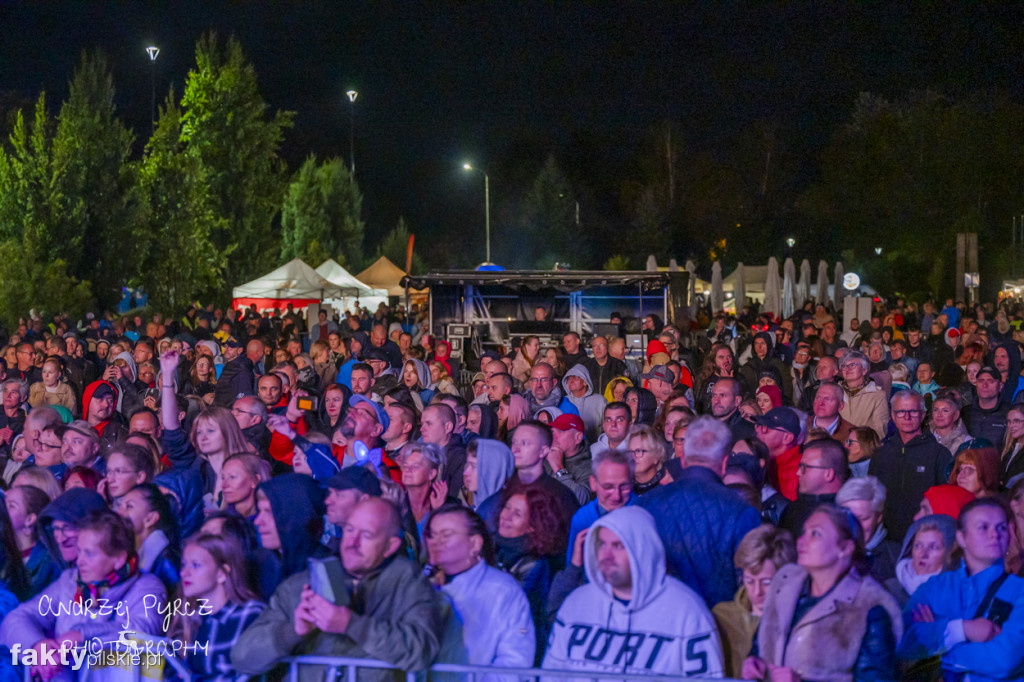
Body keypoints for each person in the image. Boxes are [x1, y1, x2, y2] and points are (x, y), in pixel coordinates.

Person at [231, 498, 444, 677]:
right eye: (349, 530)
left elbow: (422, 650)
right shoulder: (303, 584)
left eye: (367, 535)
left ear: (390, 547)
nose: (352, 542)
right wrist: (293, 632)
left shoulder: (408, 581)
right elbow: (242, 657)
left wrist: (351, 625)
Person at [544, 506, 724, 677]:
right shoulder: (576, 604)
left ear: (643, 550)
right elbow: (551, 674)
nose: (606, 555)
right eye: (602, 544)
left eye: (618, 546)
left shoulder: (687, 611)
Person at [743, 504, 903, 682]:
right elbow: (763, 643)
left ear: (845, 548)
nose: (801, 540)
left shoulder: (869, 607)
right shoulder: (784, 585)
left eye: (815, 534)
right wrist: (754, 663)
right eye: (804, 532)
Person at [1, 510, 166, 680]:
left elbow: (144, 629)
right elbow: (18, 616)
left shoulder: (147, 587)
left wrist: (82, 636)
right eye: (79, 551)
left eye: (89, 553)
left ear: (118, 559)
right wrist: (37, 646)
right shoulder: (70, 581)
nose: (79, 561)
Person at [639, 416, 761, 606]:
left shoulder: (646, 504)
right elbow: (750, 588)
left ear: (684, 460)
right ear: (724, 464)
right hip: (718, 627)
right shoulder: (743, 512)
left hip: (655, 622)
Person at [900, 498, 1024, 679]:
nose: (995, 534)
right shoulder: (935, 587)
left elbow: (1005, 658)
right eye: (983, 527)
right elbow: (903, 640)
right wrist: (963, 629)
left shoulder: (1020, 591)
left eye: (1001, 527)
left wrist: (940, 644)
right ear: (961, 537)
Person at [425, 503, 536, 671]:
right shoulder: (420, 585)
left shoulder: (503, 590)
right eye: (432, 535)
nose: (435, 542)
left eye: (446, 534)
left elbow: (514, 663)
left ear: (475, 543)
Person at [175, 533, 266, 682]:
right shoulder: (192, 617)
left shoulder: (251, 615)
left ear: (221, 573)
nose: (184, 573)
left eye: (195, 565)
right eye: (184, 564)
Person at [713, 525, 796, 678]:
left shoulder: (798, 621)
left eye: (766, 582)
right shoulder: (723, 617)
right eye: (749, 581)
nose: (757, 592)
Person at [492, 484, 565, 652]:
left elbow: (507, 604)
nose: (506, 517)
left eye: (517, 514)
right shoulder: (490, 546)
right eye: (507, 508)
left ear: (532, 525)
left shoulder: (534, 563)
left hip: (517, 646)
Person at [253, 473, 330, 592]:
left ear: (295, 516)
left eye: (269, 512)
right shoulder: (262, 567)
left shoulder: (325, 573)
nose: (258, 521)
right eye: (260, 511)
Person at [780, 438, 850, 535]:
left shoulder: (849, 514)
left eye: (805, 467)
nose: (798, 472)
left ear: (828, 474)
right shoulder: (792, 510)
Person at [884, 513, 957, 606]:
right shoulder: (889, 589)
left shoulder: (957, 594)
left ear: (950, 552)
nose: (923, 554)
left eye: (934, 547)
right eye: (918, 546)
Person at [837, 476, 900, 582]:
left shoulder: (896, 559)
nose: (853, 526)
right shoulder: (823, 551)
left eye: (862, 519)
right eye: (847, 517)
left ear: (879, 516)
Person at [755, 407, 803, 501]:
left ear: (787, 438)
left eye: (766, 428)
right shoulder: (759, 459)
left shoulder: (801, 470)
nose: (758, 431)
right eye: (758, 425)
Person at [838, 351, 890, 438]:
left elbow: (880, 430)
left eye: (853, 365)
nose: (848, 369)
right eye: (844, 366)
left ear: (864, 370)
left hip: (863, 445)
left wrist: (857, 442)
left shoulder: (877, 395)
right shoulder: (833, 391)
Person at [963, 366, 1010, 446]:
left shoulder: (1009, 413)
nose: (985, 385)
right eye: (981, 381)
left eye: (991, 381)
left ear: (1000, 386)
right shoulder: (965, 413)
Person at [560, 364, 607, 441]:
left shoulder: (600, 401)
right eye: (569, 378)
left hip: (594, 447)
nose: (571, 380)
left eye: (575, 377)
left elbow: (607, 427)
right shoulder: (563, 401)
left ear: (585, 382)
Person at [627, 423, 672, 494]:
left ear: (656, 456)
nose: (632, 456)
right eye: (630, 451)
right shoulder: (622, 488)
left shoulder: (668, 489)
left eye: (639, 451)